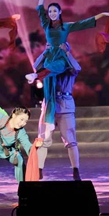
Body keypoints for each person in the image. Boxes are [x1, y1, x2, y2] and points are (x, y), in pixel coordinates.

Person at [29, 0, 109, 136]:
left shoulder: (66, 26)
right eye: (50, 11)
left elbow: (83, 23)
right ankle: (49, 122)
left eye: (54, 11)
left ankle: (36, 75)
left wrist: (101, 15)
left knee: (54, 68)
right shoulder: (46, 25)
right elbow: (39, 7)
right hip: (49, 56)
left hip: (61, 56)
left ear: (60, 12)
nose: (52, 13)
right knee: (49, 91)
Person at [31, 42, 83, 180]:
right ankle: (39, 169)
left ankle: (76, 170)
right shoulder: (47, 66)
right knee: (42, 139)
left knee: (70, 140)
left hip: (65, 105)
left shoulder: (67, 65)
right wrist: (45, 52)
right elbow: (36, 67)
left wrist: (66, 53)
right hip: (49, 105)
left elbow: (77, 68)